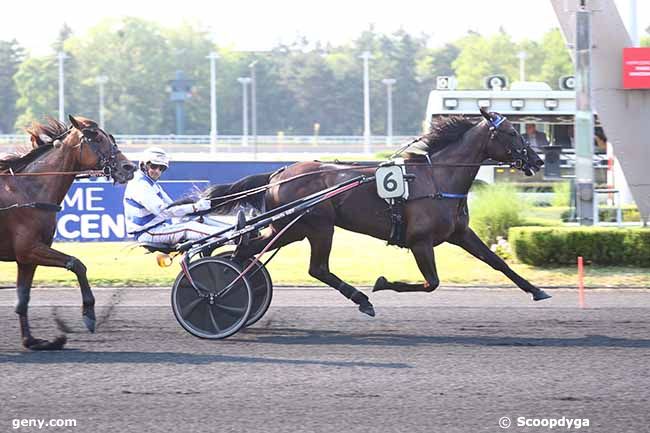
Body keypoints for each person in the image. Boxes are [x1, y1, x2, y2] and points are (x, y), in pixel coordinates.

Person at [123, 147, 229, 245]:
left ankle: (232, 230)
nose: (157, 171)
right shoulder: (140, 185)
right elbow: (164, 211)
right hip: (147, 233)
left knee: (200, 219)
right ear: (143, 165)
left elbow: (171, 205)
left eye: (161, 168)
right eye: (154, 166)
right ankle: (231, 237)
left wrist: (195, 207)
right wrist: (195, 207)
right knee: (189, 228)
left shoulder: (151, 183)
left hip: (157, 228)